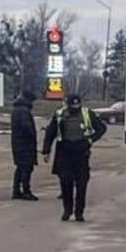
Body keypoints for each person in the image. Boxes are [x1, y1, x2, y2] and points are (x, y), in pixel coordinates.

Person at [43, 93, 107, 221]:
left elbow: (101, 128)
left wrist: (90, 140)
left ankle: (79, 212)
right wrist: (46, 151)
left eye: (77, 105)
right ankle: (67, 210)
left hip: (81, 152)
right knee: (66, 183)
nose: (75, 108)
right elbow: (51, 133)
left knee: (81, 183)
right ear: (68, 104)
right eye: (73, 105)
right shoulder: (60, 114)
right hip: (64, 152)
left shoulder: (87, 113)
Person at [11, 89, 39, 200]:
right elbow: (26, 127)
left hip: (18, 143)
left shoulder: (17, 109)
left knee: (20, 167)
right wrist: (32, 136)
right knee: (27, 167)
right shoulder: (24, 111)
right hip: (25, 144)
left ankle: (16, 190)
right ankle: (26, 191)